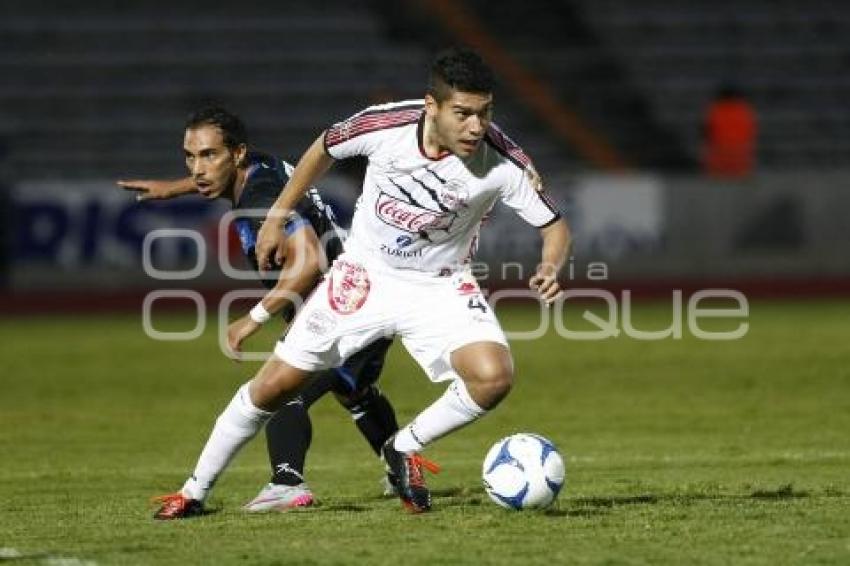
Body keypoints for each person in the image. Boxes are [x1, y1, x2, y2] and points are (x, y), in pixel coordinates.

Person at [154, 47, 571, 518]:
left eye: (484, 113)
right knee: (273, 387)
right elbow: (321, 150)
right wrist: (278, 214)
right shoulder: (383, 126)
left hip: (439, 284)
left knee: (493, 378)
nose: (476, 127)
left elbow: (554, 226)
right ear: (431, 107)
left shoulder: (502, 163)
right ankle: (193, 492)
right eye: (463, 114)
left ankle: (403, 447)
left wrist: (550, 266)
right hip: (362, 278)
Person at [119, 105, 401, 515]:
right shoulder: (260, 166)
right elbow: (215, 175)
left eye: (208, 155)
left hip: (345, 309)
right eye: (190, 156)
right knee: (351, 389)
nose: (198, 168)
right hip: (362, 297)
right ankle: (402, 467)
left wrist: (253, 319)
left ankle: (286, 483)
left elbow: (306, 265)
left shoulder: (261, 197)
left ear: (237, 154)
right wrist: (173, 188)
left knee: (281, 389)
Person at [702, 83, 757, 178]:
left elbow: (706, 134)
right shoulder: (745, 111)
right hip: (741, 165)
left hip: (717, 166)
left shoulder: (715, 110)